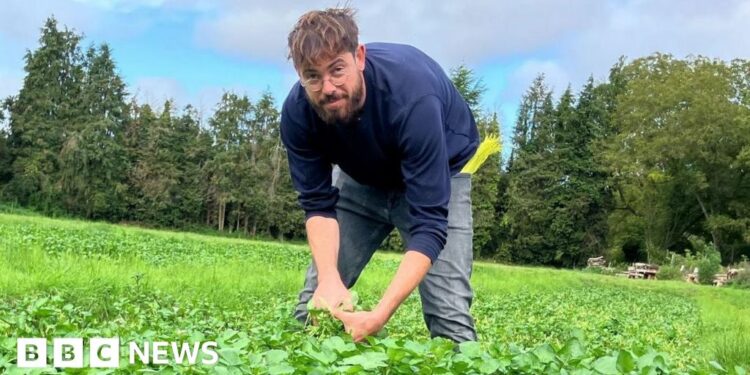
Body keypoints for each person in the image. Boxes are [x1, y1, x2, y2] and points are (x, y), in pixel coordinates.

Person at [280, 7, 479, 343]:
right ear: (300, 75)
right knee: (312, 308)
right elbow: (317, 204)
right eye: (312, 76)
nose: (327, 87)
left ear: (359, 57)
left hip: (440, 177)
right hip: (361, 181)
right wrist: (329, 278)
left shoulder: (413, 98)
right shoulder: (299, 113)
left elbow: (430, 224)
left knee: (449, 320)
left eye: (337, 70)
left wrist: (379, 314)